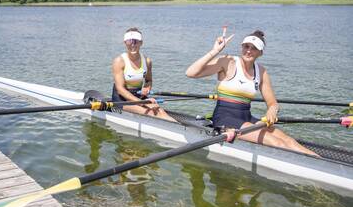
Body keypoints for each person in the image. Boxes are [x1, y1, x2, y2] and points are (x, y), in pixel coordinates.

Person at [186, 27, 317, 156]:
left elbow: (273, 103)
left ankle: (318, 160)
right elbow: (190, 73)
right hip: (224, 118)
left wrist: (272, 111)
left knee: (289, 141)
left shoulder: (261, 72)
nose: (248, 51)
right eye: (246, 46)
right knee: (278, 143)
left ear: (260, 52)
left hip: (246, 118)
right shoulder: (228, 62)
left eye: (253, 48)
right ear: (241, 47)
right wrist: (214, 51)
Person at [112, 27, 176, 122]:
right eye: (130, 41)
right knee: (150, 112)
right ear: (125, 43)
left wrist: (147, 88)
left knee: (160, 111)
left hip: (139, 97)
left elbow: (148, 81)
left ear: (141, 43)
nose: (133, 44)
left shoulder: (147, 61)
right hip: (122, 100)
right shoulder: (119, 61)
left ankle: (179, 128)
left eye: (136, 41)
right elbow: (120, 90)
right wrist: (141, 103)